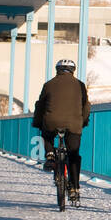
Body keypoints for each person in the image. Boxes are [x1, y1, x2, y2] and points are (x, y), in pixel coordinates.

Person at [33, 58, 91, 203]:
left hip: (52, 121)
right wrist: (83, 121)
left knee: (46, 133)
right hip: (73, 124)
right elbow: (86, 105)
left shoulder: (49, 84)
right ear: (73, 71)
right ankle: (74, 189)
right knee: (73, 155)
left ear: (57, 70)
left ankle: (50, 155)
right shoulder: (80, 85)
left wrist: (38, 122)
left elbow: (40, 105)